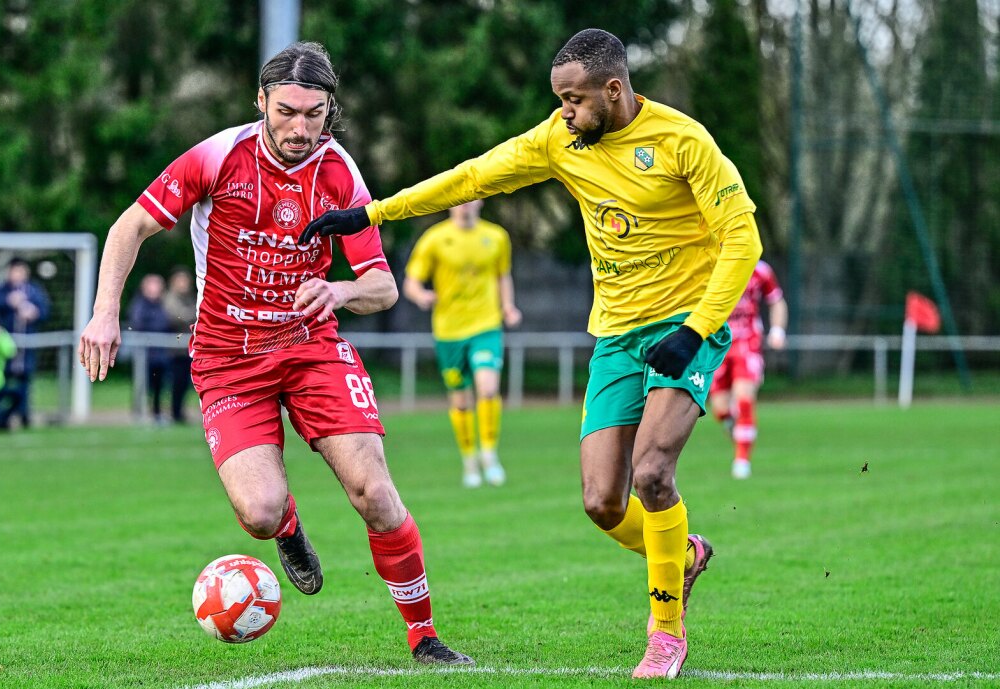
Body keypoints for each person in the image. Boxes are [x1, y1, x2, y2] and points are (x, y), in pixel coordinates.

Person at [302, 29, 762, 678]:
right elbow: (470, 177)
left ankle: (665, 630)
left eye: (574, 100)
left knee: (653, 471)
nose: (565, 114)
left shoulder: (683, 142)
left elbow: (742, 240)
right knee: (603, 500)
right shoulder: (558, 139)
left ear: (614, 89)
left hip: (689, 325)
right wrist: (372, 214)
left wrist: (698, 327)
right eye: (560, 101)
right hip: (617, 334)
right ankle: (682, 554)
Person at [78, 42, 473, 666]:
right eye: (287, 111)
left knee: (373, 491)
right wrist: (104, 314)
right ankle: (288, 530)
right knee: (259, 512)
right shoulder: (218, 156)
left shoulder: (339, 172)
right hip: (227, 356)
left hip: (311, 347)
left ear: (329, 110)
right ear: (260, 101)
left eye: (314, 114)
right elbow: (130, 225)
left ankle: (423, 636)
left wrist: (339, 289)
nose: (300, 127)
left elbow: (382, 285)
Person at [402, 200, 520, 488]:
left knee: (488, 388)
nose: (464, 205)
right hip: (449, 330)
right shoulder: (435, 239)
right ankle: (469, 460)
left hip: (486, 325)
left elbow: (503, 276)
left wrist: (508, 306)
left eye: (470, 199)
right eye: (459, 200)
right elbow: (411, 282)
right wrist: (421, 296)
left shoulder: (496, 236)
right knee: (460, 399)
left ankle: (489, 453)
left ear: (480, 201)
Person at [709, 260, 786, 479]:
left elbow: (777, 301)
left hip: (747, 343)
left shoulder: (759, 270)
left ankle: (742, 461)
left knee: (744, 400)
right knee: (721, 410)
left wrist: (778, 330)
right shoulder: (710, 264)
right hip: (718, 343)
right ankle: (742, 430)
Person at [0, 257, 49, 428]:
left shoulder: (33, 291)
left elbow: (44, 311)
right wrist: (8, 302)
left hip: (26, 348)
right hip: (3, 348)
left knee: (25, 383)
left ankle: (24, 415)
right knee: (1, 383)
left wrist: (34, 312)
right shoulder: (2, 290)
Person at [128, 273, 172, 423]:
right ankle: (139, 412)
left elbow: (168, 322)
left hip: (160, 353)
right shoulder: (139, 305)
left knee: (160, 385)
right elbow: (139, 324)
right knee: (142, 384)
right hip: (145, 353)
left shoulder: (164, 303)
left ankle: (157, 412)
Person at [162, 267, 197, 424]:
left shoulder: (190, 298)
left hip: (187, 349)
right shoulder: (170, 298)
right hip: (174, 350)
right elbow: (179, 316)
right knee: (175, 383)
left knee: (185, 384)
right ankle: (173, 413)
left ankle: (179, 412)